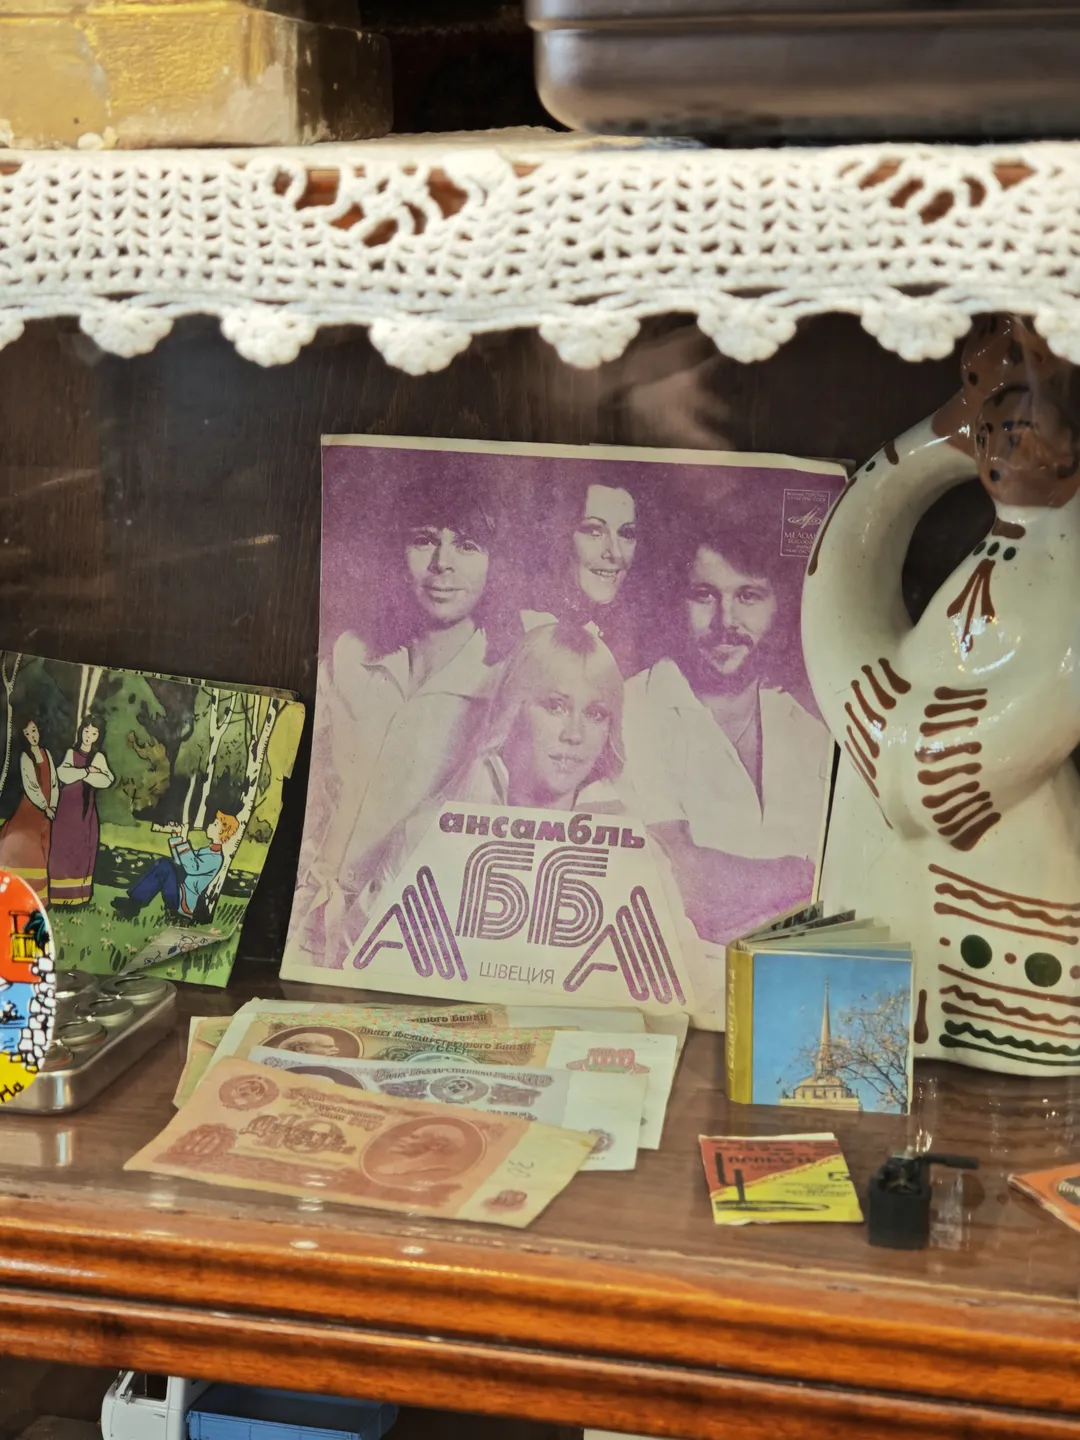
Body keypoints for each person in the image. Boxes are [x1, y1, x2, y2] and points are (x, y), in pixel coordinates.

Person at [291, 479, 504, 965]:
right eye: (425, 539)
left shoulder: (500, 686)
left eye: (468, 545)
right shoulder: (348, 659)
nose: (442, 564)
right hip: (307, 929)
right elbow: (311, 805)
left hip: (408, 941)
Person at [623, 523, 833, 941]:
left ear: (779, 605)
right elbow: (687, 886)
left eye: (748, 596)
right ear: (674, 601)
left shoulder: (809, 727)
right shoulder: (632, 708)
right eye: (704, 595)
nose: (726, 620)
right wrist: (806, 876)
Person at [450, 621, 625, 811]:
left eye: (595, 714)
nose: (574, 735)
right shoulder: (427, 829)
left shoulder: (633, 834)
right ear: (513, 710)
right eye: (556, 707)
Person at [523, 476, 642, 672]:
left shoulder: (627, 635)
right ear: (559, 536)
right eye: (594, 531)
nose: (616, 553)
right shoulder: (528, 628)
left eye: (626, 534)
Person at [111, 811, 239, 922]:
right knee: (164, 865)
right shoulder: (207, 850)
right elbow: (180, 863)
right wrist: (176, 839)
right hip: (180, 891)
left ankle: (133, 905)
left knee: (164, 866)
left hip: (184, 900)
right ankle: (133, 904)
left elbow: (192, 868)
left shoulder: (215, 858)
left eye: (215, 824)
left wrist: (182, 841)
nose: (210, 825)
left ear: (222, 833)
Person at [48, 716, 114, 908]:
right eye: (86, 731)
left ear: (98, 736)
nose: (89, 736)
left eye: (94, 733)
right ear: (81, 731)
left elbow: (106, 780)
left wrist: (89, 773)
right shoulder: (71, 753)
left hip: (85, 813)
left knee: (83, 850)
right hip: (66, 811)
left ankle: (79, 897)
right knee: (62, 849)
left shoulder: (99, 757)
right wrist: (86, 772)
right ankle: (58, 897)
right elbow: (63, 774)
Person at [0, 720, 58, 903]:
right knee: (30, 854)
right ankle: (21, 895)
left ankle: (37, 899)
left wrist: (53, 805)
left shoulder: (46, 754)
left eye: (33, 731)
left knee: (45, 848)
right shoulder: (26, 758)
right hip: (32, 810)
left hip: (47, 811)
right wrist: (45, 806)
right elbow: (31, 786)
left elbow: (54, 783)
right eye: (27, 734)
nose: (32, 736)